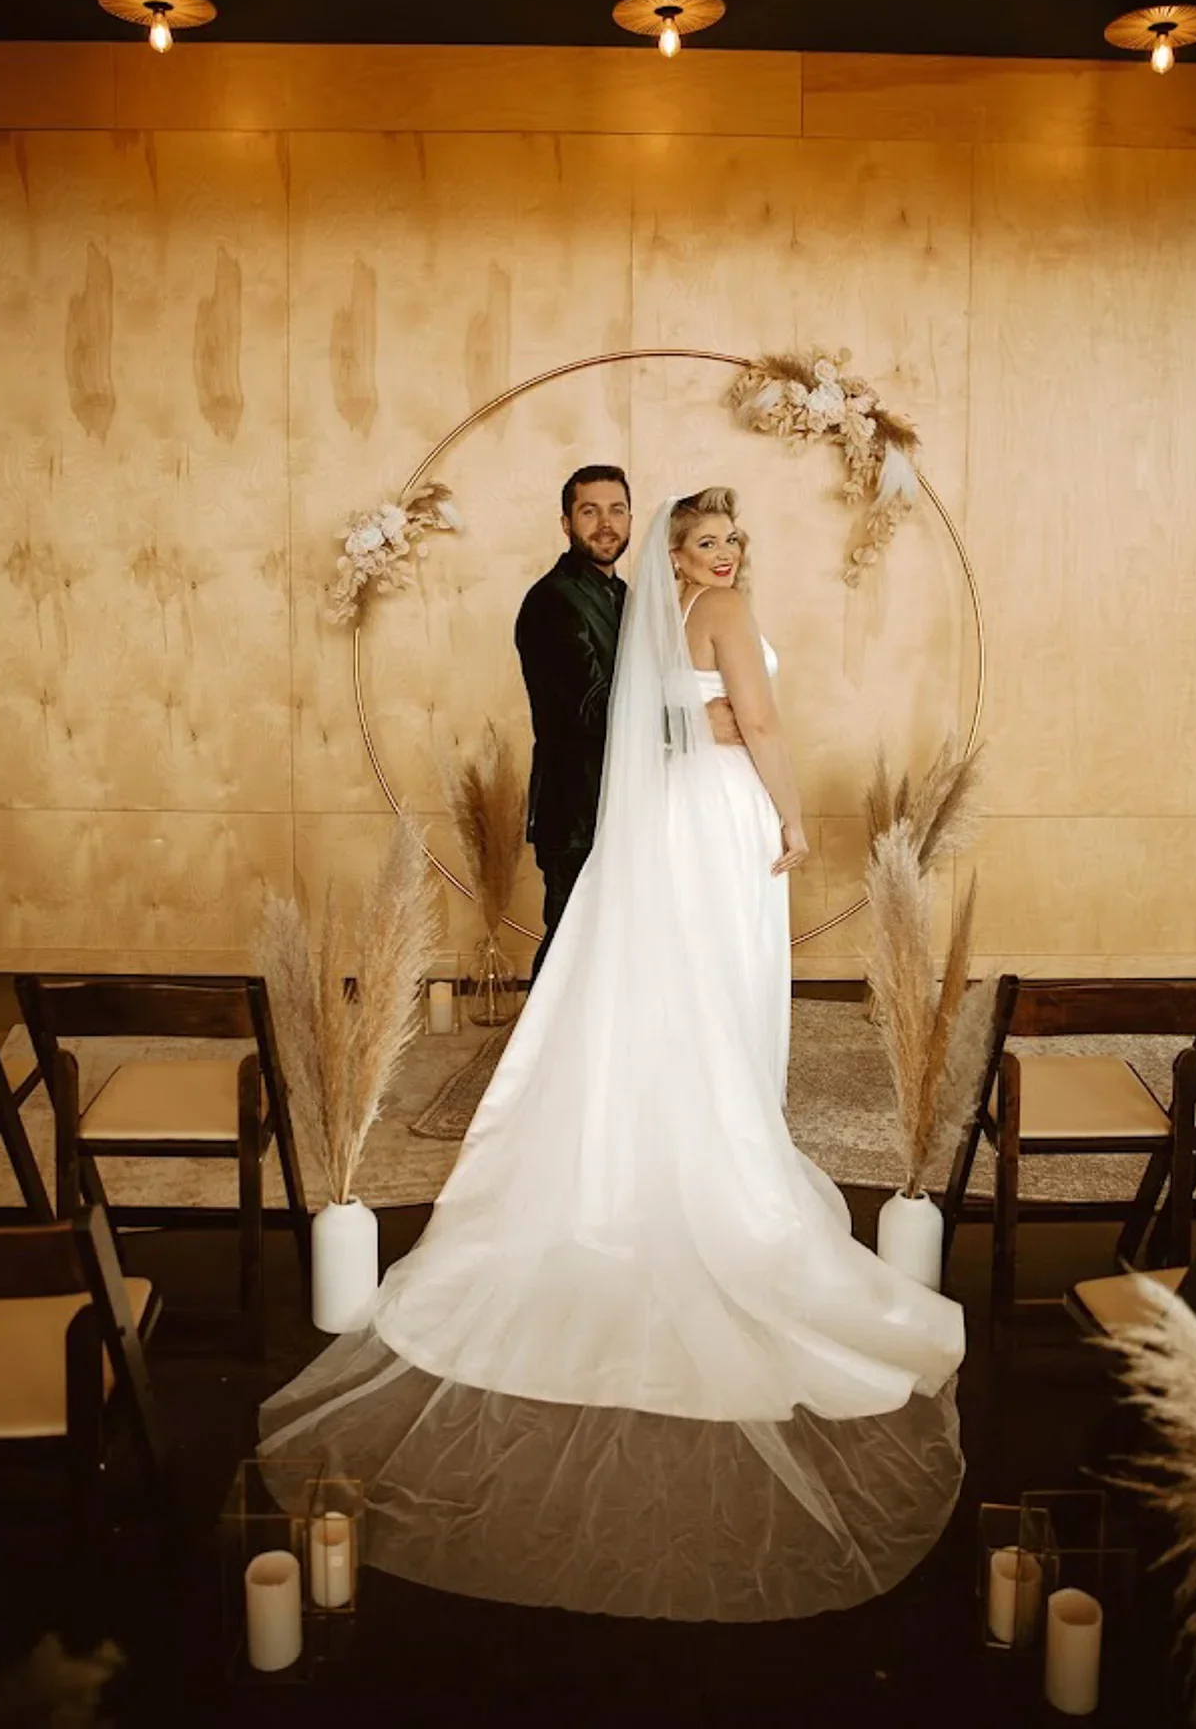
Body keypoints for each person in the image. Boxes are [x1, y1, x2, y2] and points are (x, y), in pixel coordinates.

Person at [261, 488, 965, 1622]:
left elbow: (657, 727)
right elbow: (764, 726)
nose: (726, 553)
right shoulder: (721, 615)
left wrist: (714, 724)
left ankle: (649, 1144)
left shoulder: (651, 615)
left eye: (736, 538)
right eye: (708, 540)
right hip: (726, 820)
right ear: (679, 550)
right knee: (716, 993)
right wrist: (791, 819)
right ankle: (712, 1155)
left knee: (664, 989)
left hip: (666, 823)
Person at [514, 465, 739, 975]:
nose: (605, 524)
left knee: (614, 949)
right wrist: (693, 723)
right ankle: (539, 1053)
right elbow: (590, 709)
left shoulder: (622, 597)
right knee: (572, 944)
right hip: (578, 808)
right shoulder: (552, 601)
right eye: (589, 511)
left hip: (629, 797)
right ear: (567, 522)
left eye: (616, 510)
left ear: (632, 519)